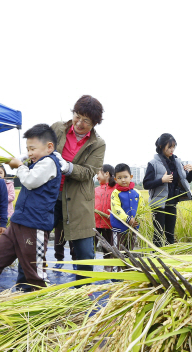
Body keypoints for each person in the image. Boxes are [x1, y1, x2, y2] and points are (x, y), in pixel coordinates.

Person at [0, 124, 61, 291]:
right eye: (27, 149)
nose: (29, 153)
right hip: (17, 223)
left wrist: (19, 166)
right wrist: (20, 160)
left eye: (32, 149)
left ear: (49, 147)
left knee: (35, 273)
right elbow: (25, 161)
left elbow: (31, 181)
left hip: (34, 225)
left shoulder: (49, 162)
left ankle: (45, 306)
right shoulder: (37, 161)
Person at [50, 95, 106, 280]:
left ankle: (82, 292)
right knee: (32, 240)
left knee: (84, 251)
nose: (79, 123)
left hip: (78, 199)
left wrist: (68, 167)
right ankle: (28, 286)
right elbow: (41, 149)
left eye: (86, 120)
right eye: (77, 116)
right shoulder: (58, 128)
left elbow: (89, 172)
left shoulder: (98, 144)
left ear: (95, 123)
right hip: (49, 195)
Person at [142, 133, 192, 247]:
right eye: (169, 147)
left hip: (172, 202)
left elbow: (187, 180)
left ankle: (169, 260)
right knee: (158, 235)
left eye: (174, 147)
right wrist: (162, 180)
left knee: (170, 235)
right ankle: (156, 260)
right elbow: (146, 184)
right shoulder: (153, 163)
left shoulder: (177, 162)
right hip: (158, 204)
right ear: (161, 146)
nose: (172, 150)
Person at [110, 163, 140, 251]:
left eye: (125, 177)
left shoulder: (137, 192)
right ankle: (117, 265)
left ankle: (127, 265)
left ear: (131, 177)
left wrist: (137, 219)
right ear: (115, 179)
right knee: (118, 251)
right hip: (119, 228)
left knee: (130, 250)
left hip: (133, 228)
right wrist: (128, 219)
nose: (123, 180)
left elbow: (141, 207)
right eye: (119, 178)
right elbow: (116, 208)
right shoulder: (116, 193)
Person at [95, 164, 117, 262]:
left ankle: (108, 269)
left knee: (108, 250)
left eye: (98, 173)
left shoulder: (116, 189)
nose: (97, 176)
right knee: (90, 248)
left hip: (109, 225)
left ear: (106, 174)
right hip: (94, 224)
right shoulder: (96, 190)